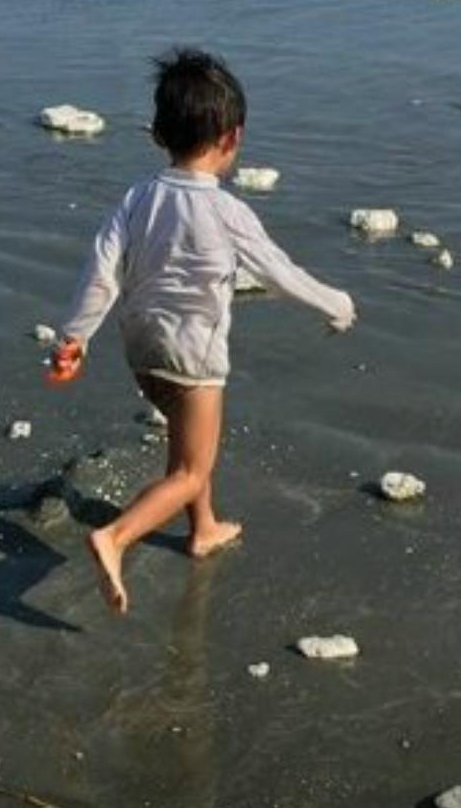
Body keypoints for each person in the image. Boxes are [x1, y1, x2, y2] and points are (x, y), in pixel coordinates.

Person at [55, 50, 356, 615]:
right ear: (233, 136)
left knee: (190, 449)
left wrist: (74, 338)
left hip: (142, 348)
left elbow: (100, 270)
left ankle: (205, 528)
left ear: (158, 135)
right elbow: (279, 271)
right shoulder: (228, 212)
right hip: (194, 357)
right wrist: (335, 304)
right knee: (194, 469)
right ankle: (115, 537)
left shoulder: (137, 197)